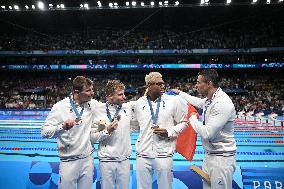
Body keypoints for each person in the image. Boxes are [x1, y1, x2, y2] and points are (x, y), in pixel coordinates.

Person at [172, 69, 237, 189]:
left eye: (198, 82)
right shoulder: (210, 99)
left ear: (209, 83)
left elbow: (208, 133)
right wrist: (180, 93)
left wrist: (192, 118)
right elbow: (198, 102)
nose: (196, 85)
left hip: (221, 159)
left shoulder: (222, 103)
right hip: (210, 156)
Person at [134, 72, 188, 189]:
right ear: (149, 85)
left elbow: (184, 123)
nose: (163, 86)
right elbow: (136, 125)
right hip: (143, 154)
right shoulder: (139, 103)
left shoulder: (174, 101)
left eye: (163, 83)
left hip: (164, 154)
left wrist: (169, 132)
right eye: (159, 84)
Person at [41, 76, 95, 189]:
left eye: (92, 89)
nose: (92, 93)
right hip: (69, 162)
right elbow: (44, 132)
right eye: (88, 90)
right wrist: (63, 127)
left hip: (87, 160)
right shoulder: (60, 107)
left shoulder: (92, 104)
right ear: (76, 92)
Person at [90, 80, 134, 189]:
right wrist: (107, 131)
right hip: (106, 161)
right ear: (110, 96)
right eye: (120, 94)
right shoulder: (99, 111)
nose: (124, 97)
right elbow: (93, 138)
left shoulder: (127, 109)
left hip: (124, 160)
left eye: (124, 94)